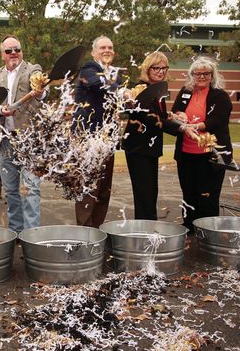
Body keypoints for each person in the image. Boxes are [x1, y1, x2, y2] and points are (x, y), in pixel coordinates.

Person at [0, 35, 45, 233]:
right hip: (5, 140)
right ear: (2, 54)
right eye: (9, 50)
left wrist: (40, 90)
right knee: (11, 190)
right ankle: (16, 231)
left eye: (17, 49)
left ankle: (31, 234)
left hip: (29, 140)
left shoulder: (32, 69)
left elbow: (38, 85)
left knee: (32, 188)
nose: (14, 53)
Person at [171, 56, 232, 232]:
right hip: (186, 153)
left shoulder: (220, 96)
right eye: (197, 73)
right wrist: (179, 116)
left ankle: (207, 231)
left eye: (206, 73)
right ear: (192, 75)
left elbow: (217, 120)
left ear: (212, 76)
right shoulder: (185, 92)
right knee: (188, 193)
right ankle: (189, 227)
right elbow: (176, 111)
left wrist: (195, 125)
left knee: (207, 195)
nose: (202, 77)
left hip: (211, 155)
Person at [122, 52, 182, 220]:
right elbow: (148, 117)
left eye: (164, 68)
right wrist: (181, 129)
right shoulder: (141, 88)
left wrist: (171, 116)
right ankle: (145, 230)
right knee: (144, 193)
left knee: (150, 192)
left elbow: (157, 114)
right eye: (156, 68)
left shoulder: (157, 88)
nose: (161, 71)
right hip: (138, 147)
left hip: (150, 148)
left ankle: (148, 225)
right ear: (147, 69)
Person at [73, 36, 124, 228]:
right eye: (103, 47)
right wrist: (121, 91)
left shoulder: (114, 73)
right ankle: (86, 232)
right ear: (94, 52)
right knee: (88, 187)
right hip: (88, 139)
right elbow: (98, 84)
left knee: (103, 189)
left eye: (110, 47)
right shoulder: (88, 68)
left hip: (107, 139)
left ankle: (97, 229)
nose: (107, 50)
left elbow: (115, 96)